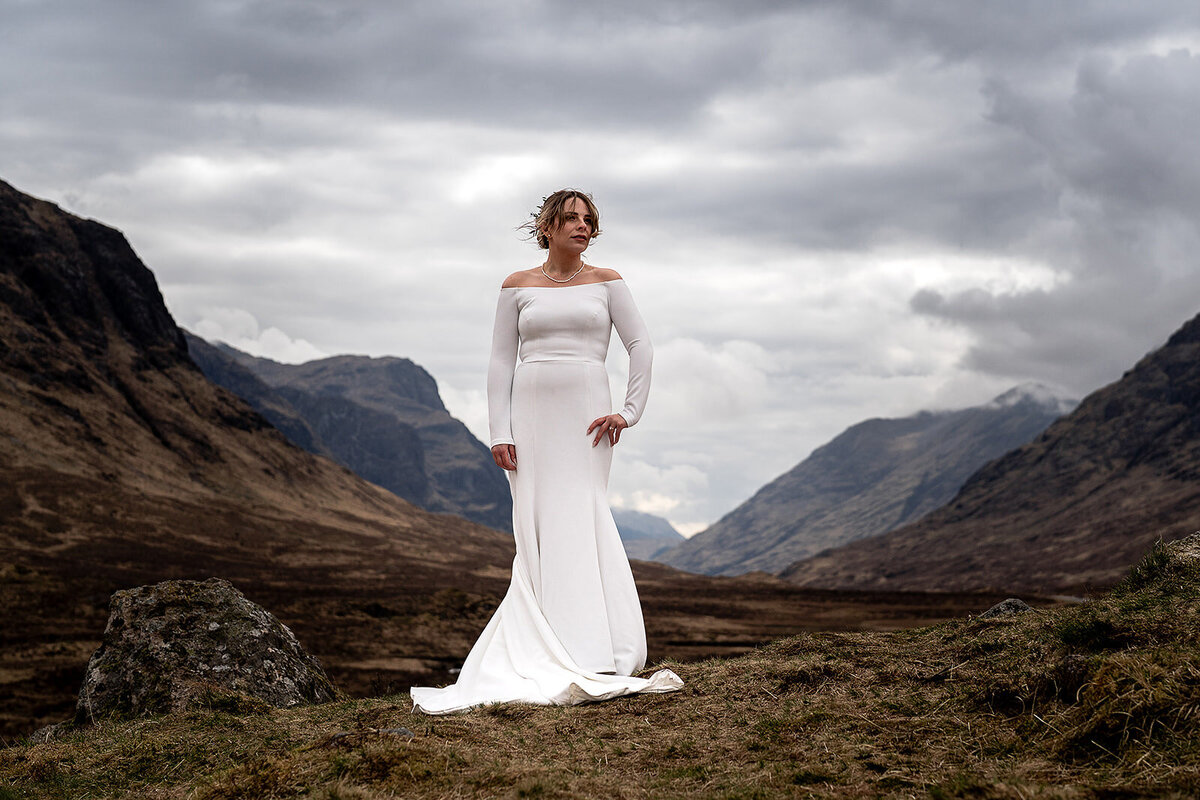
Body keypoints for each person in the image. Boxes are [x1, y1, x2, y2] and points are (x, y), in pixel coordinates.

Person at [410, 189, 683, 714]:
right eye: (571, 218)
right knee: (536, 522)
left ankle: (599, 646)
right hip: (532, 415)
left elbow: (640, 345)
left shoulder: (608, 282)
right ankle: (548, 639)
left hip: (588, 414)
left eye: (589, 220)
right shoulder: (517, 285)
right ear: (548, 226)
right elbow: (498, 362)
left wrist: (629, 410)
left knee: (582, 513)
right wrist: (499, 431)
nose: (582, 227)